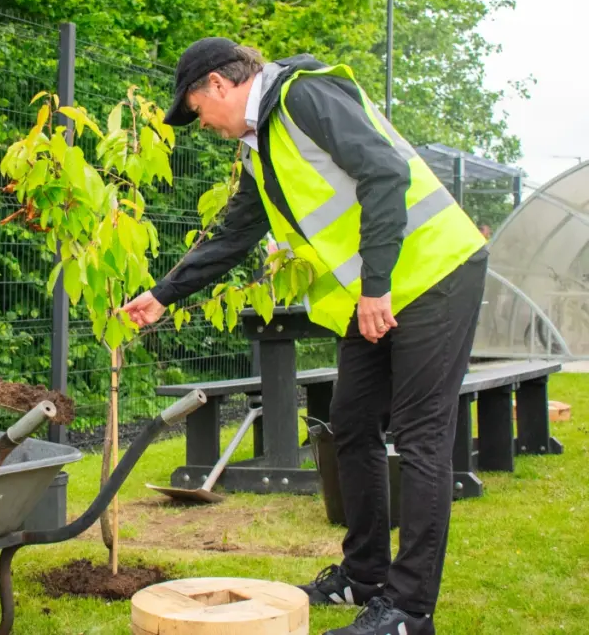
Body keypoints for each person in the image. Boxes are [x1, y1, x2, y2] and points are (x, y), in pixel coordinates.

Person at [122, 38, 488, 635]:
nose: (203, 125)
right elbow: (233, 233)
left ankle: (408, 611)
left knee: (421, 436)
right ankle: (363, 577)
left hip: (435, 270)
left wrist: (375, 285)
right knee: (351, 423)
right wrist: (163, 294)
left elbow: (385, 172)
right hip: (382, 290)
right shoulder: (262, 148)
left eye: (196, 108)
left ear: (219, 83)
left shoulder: (304, 96)